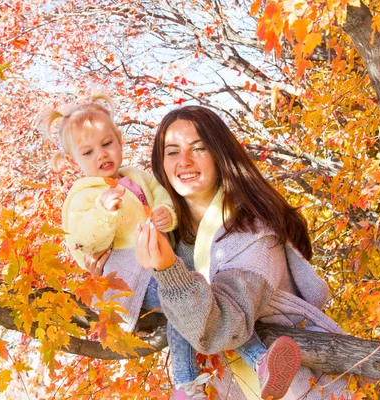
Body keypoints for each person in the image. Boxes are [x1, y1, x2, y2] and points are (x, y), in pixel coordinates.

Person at [42, 95, 298, 399]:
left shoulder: (137, 178)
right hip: (128, 275)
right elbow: (82, 240)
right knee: (182, 301)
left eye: (107, 144)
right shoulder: (84, 194)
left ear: (120, 141)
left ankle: (204, 378)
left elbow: (162, 201)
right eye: (88, 152)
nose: (101, 155)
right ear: (74, 161)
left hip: (159, 269)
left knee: (185, 302)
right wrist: (102, 213)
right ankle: (200, 378)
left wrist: (168, 214)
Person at [128, 105, 353, 399]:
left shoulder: (253, 235)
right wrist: (102, 266)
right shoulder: (175, 238)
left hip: (301, 390)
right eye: (172, 152)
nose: (184, 161)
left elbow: (223, 327)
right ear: (160, 163)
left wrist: (169, 272)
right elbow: (136, 296)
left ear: (220, 154)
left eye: (199, 148)